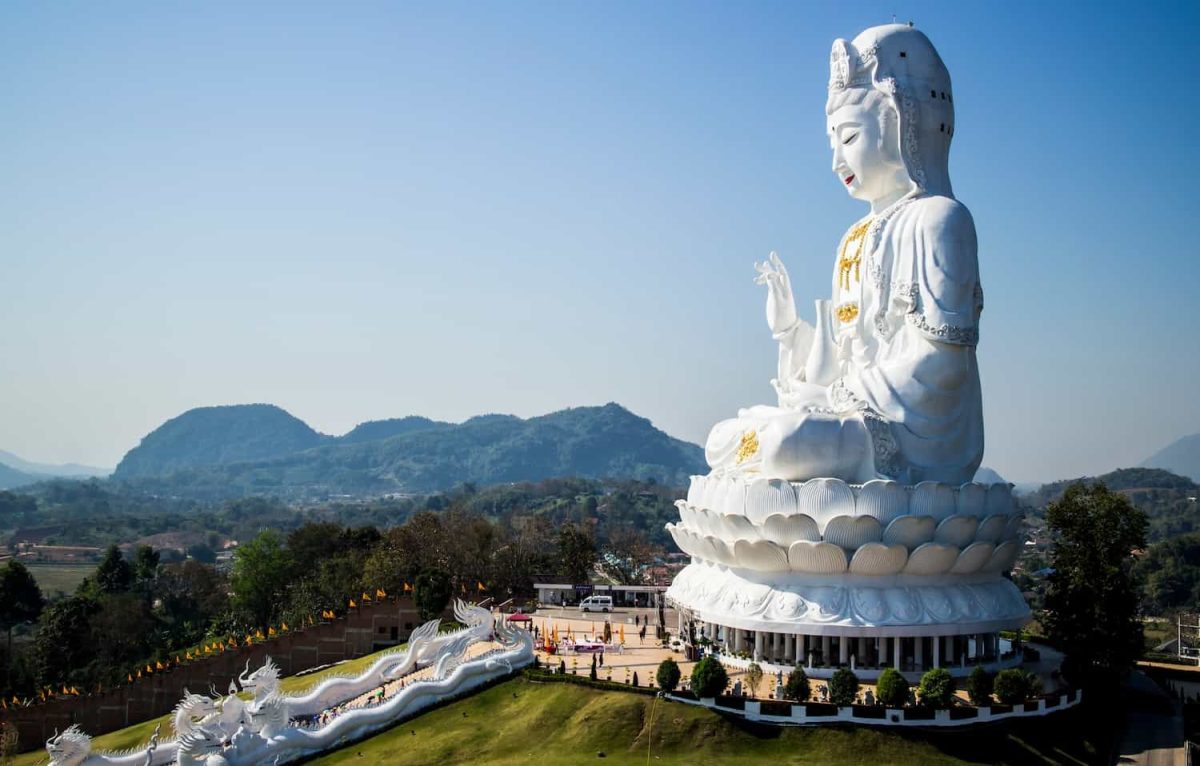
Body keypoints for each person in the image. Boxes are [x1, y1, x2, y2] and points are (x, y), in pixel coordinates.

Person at [703, 24, 982, 486]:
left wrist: (837, 395)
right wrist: (791, 333)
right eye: (832, 141)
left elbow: (943, 367)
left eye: (849, 138)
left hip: (911, 434)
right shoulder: (853, 238)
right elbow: (839, 358)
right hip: (845, 411)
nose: (836, 161)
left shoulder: (940, 220)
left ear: (901, 123)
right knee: (723, 438)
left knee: (785, 444)